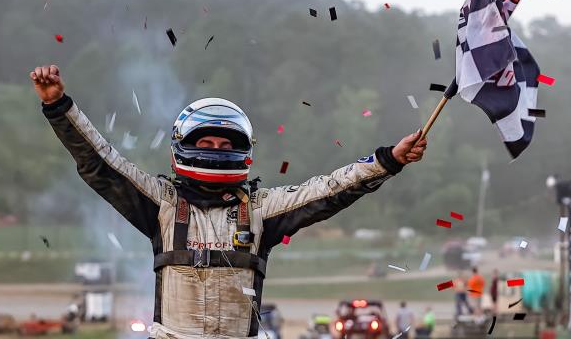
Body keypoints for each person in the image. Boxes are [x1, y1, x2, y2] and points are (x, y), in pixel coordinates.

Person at [30, 65, 428, 339]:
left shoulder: (260, 210)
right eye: (206, 143)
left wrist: (388, 159)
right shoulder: (162, 203)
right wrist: (58, 106)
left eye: (226, 144)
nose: (217, 150)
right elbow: (101, 163)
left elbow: (328, 191)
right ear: (182, 147)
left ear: (243, 152)